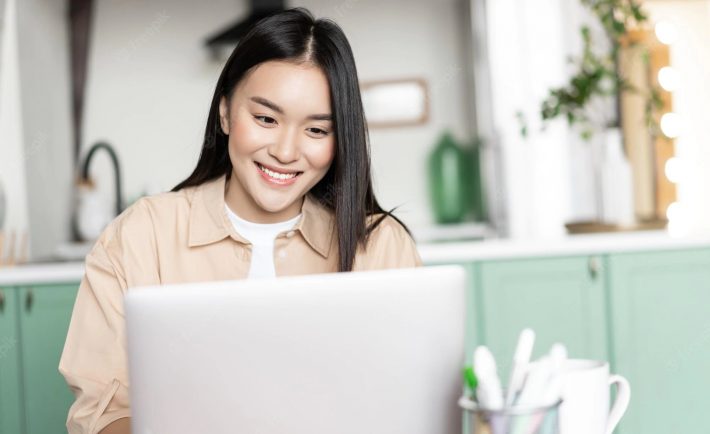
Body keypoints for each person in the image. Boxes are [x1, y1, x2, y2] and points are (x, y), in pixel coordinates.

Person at [59, 7, 422, 434]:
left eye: (317, 131)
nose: (286, 152)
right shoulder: (141, 236)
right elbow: (102, 412)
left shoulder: (380, 247)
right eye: (266, 119)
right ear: (226, 112)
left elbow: (410, 401)